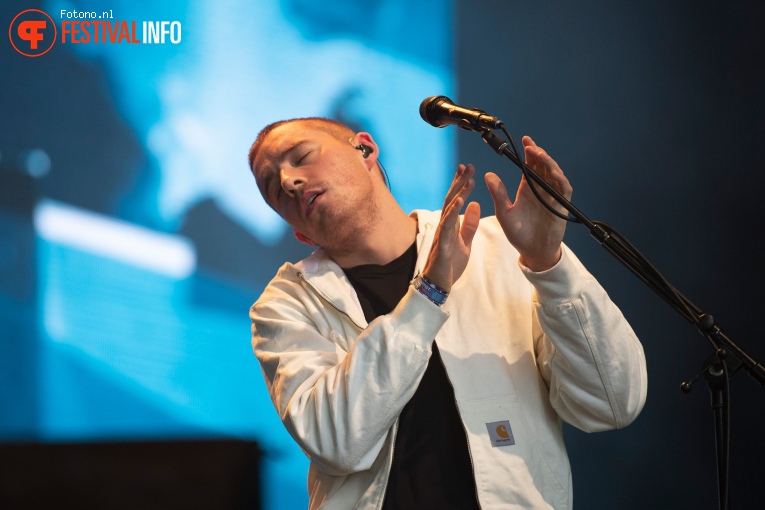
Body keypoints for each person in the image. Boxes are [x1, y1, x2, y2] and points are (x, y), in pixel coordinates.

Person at [247, 117, 647, 509]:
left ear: (365, 149)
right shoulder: (285, 305)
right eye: (273, 189)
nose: (288, 181)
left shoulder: (501, 246)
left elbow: (612, 404)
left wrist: (549, 266)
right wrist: (428, 295)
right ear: (299, 232)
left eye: (301, 156)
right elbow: (336, 445)